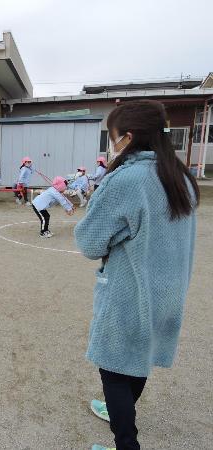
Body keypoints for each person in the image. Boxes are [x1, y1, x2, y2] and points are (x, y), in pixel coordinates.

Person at [74, 100, 199, 450]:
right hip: (169, 292)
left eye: (111, 138)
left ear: (127, 138)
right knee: (138, 359)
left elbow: (89, 241)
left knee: (113, 369)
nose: (110, 145)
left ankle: (125, 444)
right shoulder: (180, 177)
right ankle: (119, 413)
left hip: (133, 294)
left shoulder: (128, 178)